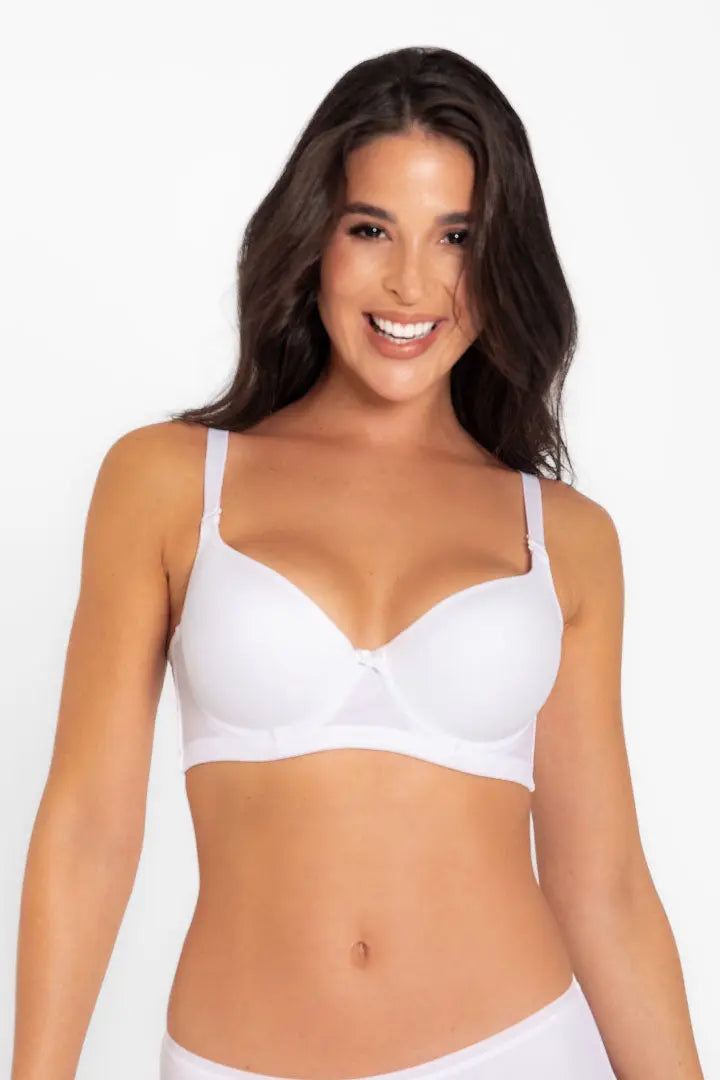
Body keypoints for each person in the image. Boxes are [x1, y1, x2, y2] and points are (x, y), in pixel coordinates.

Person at [12, 46, 704, 1080]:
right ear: (314, 241)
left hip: (518, 1049)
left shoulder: (562, 537)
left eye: (456, 238)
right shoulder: (166, 483)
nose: (411, 282)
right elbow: (87, 831)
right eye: (370, 228)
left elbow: (603, 886)